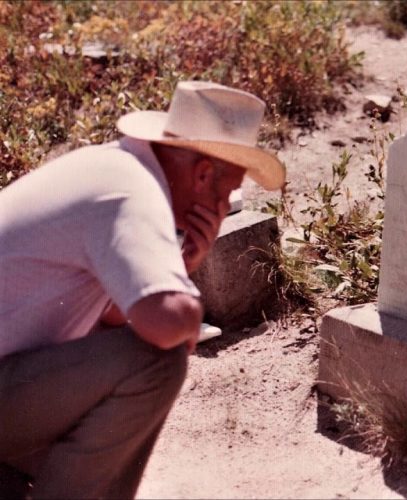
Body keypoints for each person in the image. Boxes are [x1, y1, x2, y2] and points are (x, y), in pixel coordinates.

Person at [0, 81, 285, 499]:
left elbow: (111, 324)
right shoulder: (135, 190)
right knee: (156, 362)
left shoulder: (112, 168)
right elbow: (165, 326)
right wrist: (185, 302)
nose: (225, 206)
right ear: (203, 175)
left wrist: (180, 266)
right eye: (227, 194)